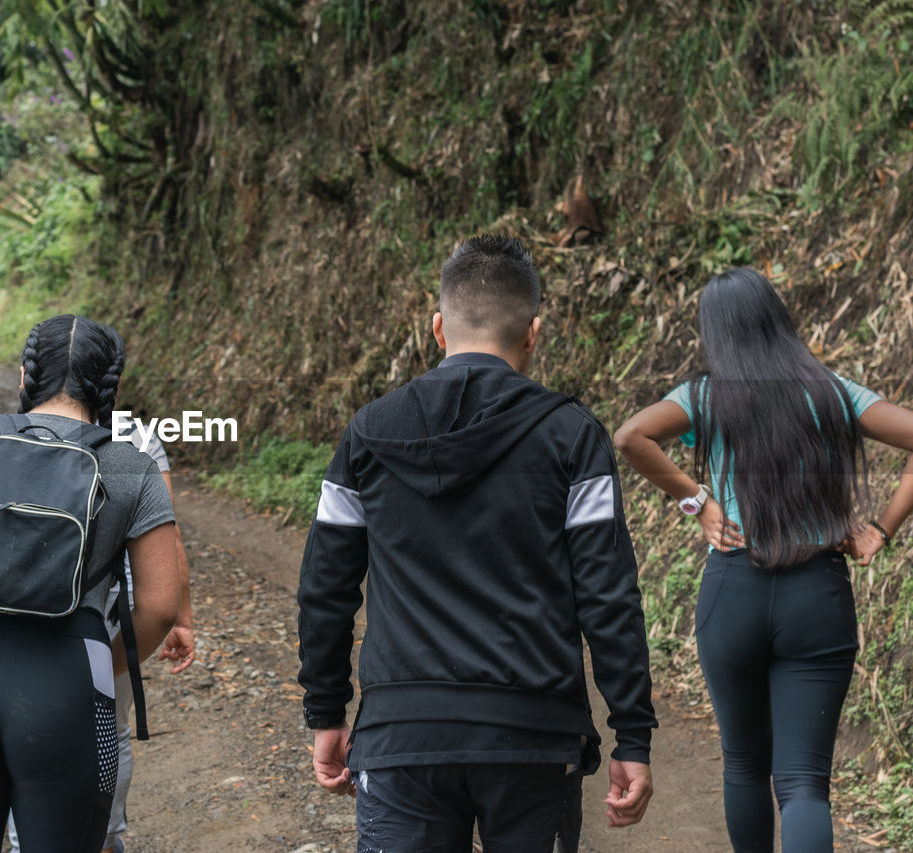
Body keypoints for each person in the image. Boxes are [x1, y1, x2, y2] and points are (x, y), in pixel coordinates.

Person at [297, 234, 658, 852]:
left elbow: (325, 587)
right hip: (534, 735)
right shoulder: (572, 436)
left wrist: (325, 713)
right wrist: (632, 735)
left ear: (439, 328)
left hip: (402, 734)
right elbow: (608, 595)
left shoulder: (369, 432)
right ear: (534, 332)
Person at [614, 267, 913, 853]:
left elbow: (629, 437)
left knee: (745, 765)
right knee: (804, 784)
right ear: (778, 319)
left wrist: (696, 501)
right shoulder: (832, 391)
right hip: (818, 595)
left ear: (716, 333)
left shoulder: (704, 396)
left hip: (733, 591)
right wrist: (881, 527)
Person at [0, 315, 182, 853]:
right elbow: (162, 605)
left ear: (25, 376)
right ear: (110, 386)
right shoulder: (129, 466)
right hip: (66, 685)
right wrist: (102, 660)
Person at [6, 413, 196, 853]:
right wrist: (181, 617)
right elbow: (167, 536)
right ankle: (104, 842)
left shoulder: (13, 430)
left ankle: (24, 843)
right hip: (115, 613)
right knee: (110, 726)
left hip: (29, 604)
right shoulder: (137, 438)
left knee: (27, 726)